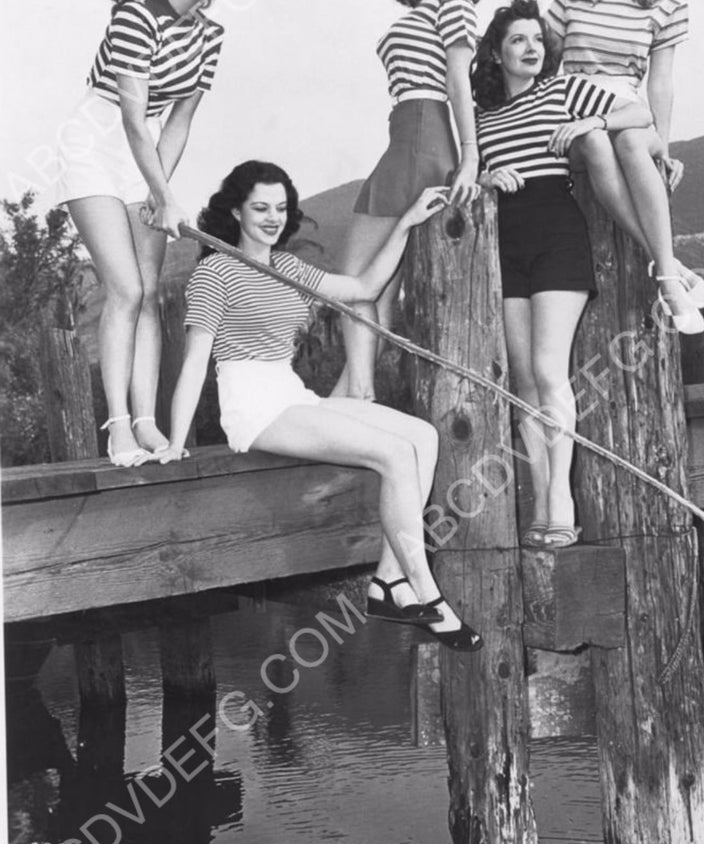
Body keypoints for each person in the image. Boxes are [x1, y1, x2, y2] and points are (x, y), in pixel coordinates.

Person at [158, 160, 483, 652]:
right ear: (236, 212)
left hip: (290, 394)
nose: (272, 218)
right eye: (260, 208)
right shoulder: (214, 272)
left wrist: (406, 222)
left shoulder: (288, 268)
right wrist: (175, 442)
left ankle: (388, 582)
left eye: (280, 208)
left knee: (423, 436)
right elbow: (194, 363)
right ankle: (428, 595)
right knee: (395, 453)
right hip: (252, 406)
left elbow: (365, 288)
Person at [55, 0, 239, 466]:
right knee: (126, 289)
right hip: (96, 139)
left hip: (148, 148)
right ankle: (118, 427)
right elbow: (131, 118)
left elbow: (177, 122)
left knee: (152, 291)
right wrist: (162, 196)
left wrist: (162, 193)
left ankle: (146, 422)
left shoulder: (211, 34)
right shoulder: (136, 16)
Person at [472, 0, 654, 548]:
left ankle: (561, 502)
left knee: (550, 372)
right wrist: (485, 178)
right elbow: (467, 174)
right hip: (507, 242)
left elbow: (639, 114)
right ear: (497, 54)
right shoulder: (481, 118)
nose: (531, 48)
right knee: (524, 382)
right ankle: (539, 496)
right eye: (517, 40)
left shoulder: (562, 90)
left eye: (536, 39)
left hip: (556, 233)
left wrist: (592, 121)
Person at [546, 0, 704, 333]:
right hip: (575, 114)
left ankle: (667, 281)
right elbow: (544, 70)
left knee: (632, 142)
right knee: (596, 140)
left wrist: (665, 146)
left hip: (629, 112)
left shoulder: (667, 2)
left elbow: (660, 81)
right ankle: (671, 268)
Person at [332, 0, 482, 401]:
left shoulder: (453, 1)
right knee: (378, 289)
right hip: (408, 136)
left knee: (354, 281)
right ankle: (348, 398)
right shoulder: (427, 7)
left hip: (422, 137)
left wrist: (471, 156)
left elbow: (458, 81)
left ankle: (358, 396)